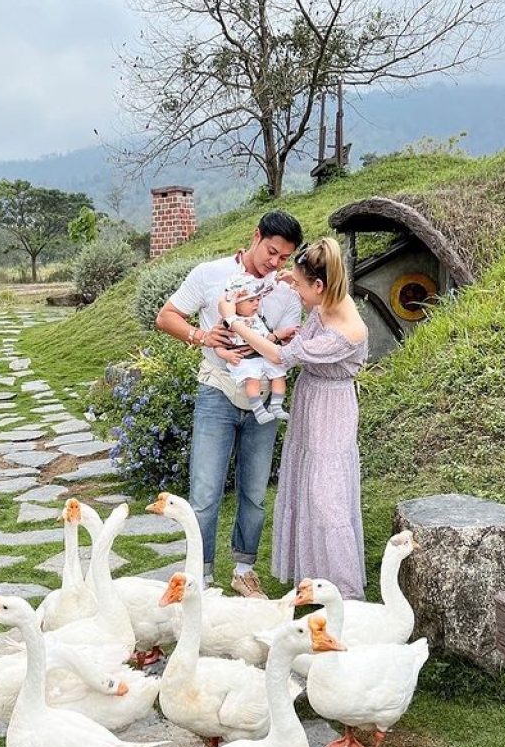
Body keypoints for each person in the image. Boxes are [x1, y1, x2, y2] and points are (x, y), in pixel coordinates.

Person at [155, 209, 303, 598]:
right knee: (204, 492)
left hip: (263, 398)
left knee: (254, 491)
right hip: (217, 391)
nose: (275, 263)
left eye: (284, 258)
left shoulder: (287, 290)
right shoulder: (210, 273)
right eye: (271, 252)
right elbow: (166, 316)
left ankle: (244, 571)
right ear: (256, 236)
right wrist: (201, 336)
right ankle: (200, 576)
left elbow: (284, 348)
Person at [219, 236, 368, 597]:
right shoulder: (331, 297)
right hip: (311, 403)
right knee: (310, 490)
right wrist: (289, 278)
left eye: (302, 286)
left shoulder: (345, 334)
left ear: (319, 285)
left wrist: (233, 321)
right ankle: (319, 582)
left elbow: (279, 358)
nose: (298, 293)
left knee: (327, 498)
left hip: (331, 412)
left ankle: (346, 593)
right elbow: (306, 301)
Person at [220, 272, 289, 425]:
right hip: (244, 359)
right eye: (251, 300)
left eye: (258, 299)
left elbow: (267, 337)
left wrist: (280, 334)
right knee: (253, 380)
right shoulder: (227, 322)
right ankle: (258, 410)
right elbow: (218, 345)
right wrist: (226, 354)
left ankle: (276, 405)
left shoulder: (257, 318)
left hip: (262, 355)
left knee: (279, 374)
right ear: (235, 303)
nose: (256, 304)